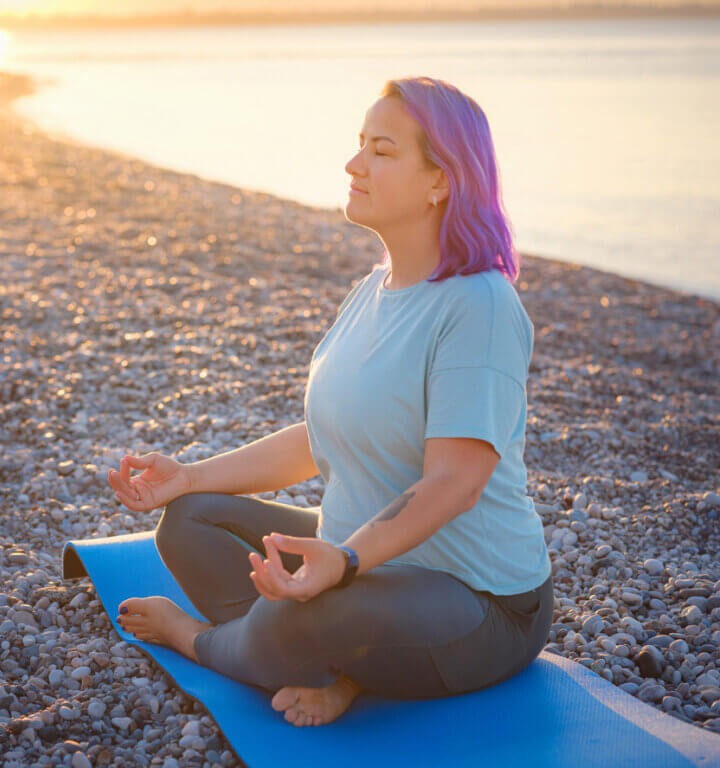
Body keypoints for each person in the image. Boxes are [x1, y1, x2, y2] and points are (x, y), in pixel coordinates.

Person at [105, 76, 553, 728]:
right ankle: (318, 660)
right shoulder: (371, 292)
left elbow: (458, 480)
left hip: (479, 601)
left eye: (382, 150)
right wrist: (190, 476)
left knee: (306, 612)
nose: (353, 164)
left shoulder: (478, 306)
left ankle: (200, 641)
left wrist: (342, 563)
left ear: (442, 180)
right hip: (365, 560)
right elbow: (323, 436)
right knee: (189, 518)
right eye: (359, 145)